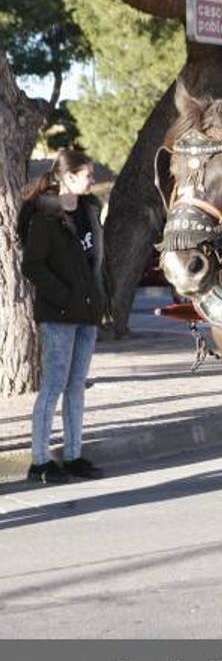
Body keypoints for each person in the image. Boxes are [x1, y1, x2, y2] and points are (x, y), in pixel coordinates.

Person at [18, 149, 108, 484]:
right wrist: (65, 295)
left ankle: (73, 456)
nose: (93, 180)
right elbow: (32, 266)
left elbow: (97, 260)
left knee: (76, 387)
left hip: (88, 312)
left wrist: (103, 299)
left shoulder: (89, 209)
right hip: (58, 314)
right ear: (67, 177)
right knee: (53, 386)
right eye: (87, 174)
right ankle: (39, 462)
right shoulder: (46, 217)